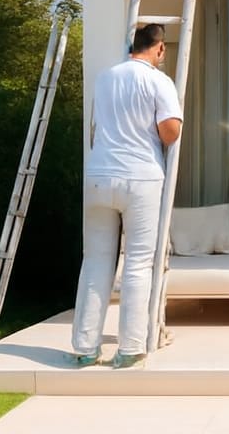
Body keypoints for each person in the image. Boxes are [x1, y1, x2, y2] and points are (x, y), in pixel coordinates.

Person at [70, 23, 183, 369]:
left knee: (95, 262)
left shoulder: (105, 78)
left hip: (99, 177)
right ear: (159, 49)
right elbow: (170, 133)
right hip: (140, 178)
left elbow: (95, 127)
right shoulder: (158, 81)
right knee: (137, 263)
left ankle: (86, 348)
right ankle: (131, 348)